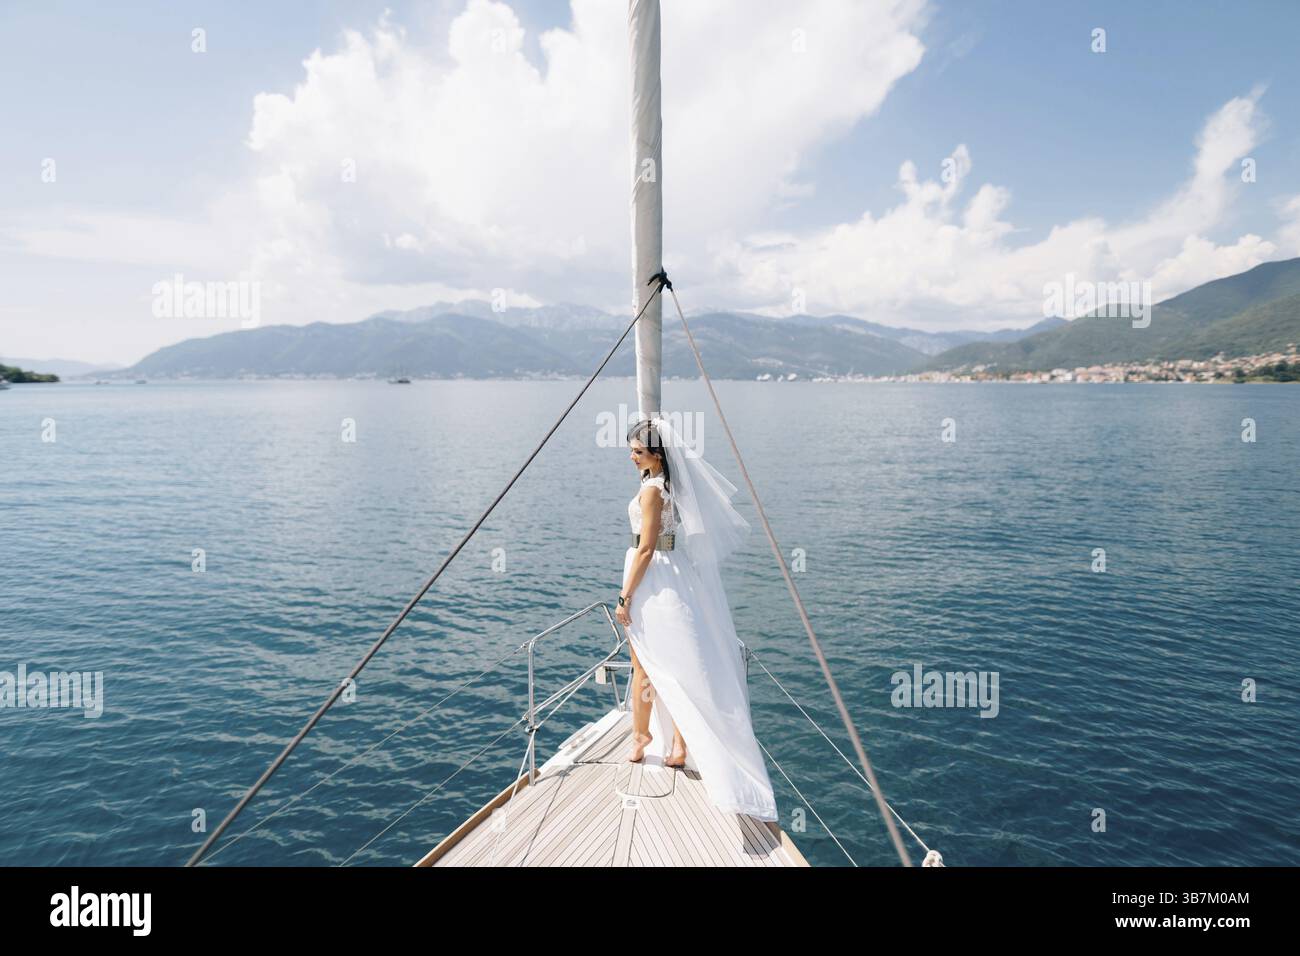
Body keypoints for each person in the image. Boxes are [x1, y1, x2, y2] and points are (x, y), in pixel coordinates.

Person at [615, 415, 779, 822]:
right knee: (678, 664)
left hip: (652, 577)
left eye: (637, 452)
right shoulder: (665, 485)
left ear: (656, 453)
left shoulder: (652, 492)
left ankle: (642, 738)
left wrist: (625, 596)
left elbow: (647, 548)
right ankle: (677, 747)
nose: (631, 458)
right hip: (674, 571)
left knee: (643, 665)